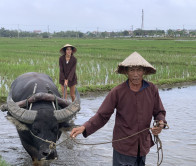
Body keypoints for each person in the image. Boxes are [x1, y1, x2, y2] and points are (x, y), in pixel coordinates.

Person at [70, 51, 167, 166]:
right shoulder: (117, 91)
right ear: (126, 72)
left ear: (144, 71)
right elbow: (102, 115)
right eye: (132, 70)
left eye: (139, 70)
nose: (136, 74)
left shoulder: (152, 90)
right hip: (123, 146)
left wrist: (160, 123)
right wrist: (84, 127)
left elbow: (159, 112)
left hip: (142, 146)